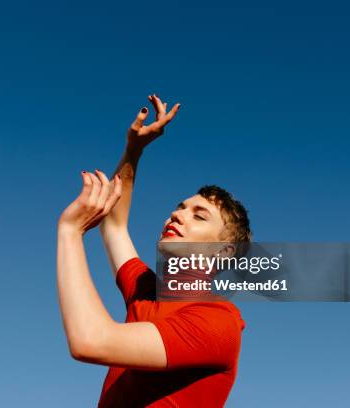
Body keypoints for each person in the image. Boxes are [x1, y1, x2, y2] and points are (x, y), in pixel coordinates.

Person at [57, 94, 251, 407]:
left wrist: (70, 231)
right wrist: (134, 149)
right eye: (180, 207)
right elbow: (114, 225)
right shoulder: (147, 290)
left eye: (198, 215)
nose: (178, 214)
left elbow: (90, 340)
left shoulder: (217, 323)